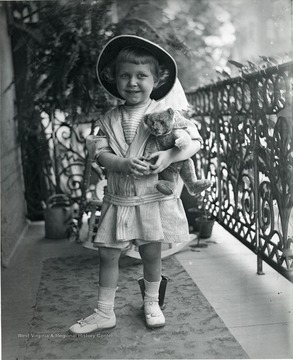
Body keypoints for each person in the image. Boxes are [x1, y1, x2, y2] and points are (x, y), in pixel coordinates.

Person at [69, 35, 211, 335]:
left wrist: (169, 155)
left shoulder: (165, 115)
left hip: (150, 199)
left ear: (156, 79)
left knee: (151, 253)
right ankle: (104, 311)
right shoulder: (109, 118)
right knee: (107, 253)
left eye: (141, 76)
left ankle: (151, 302)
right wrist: (120, 163)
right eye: (125, 76)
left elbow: (193, 142)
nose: (132, 82)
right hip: (119, 198)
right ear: (114, 79)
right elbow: (100, 153)